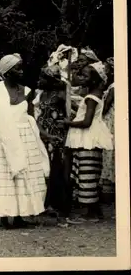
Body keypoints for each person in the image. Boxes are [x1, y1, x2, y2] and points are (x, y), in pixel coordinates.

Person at [0, 54, 50, 229]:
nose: (21, 71)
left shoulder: (27, 91)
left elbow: (31, 117)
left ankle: (20, 215)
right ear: (7, 72)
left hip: (25, 137)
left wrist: (44, 134)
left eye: (21, 67)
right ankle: (4, 216)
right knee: (5, 176)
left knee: (23, 176)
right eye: (17, 68)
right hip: (2, 137)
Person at [62, 62, 113, 223]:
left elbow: (86, 122)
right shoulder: (96, 94)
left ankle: (90, 214)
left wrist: (68, 123)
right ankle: (95, 211)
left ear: (94, 80)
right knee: (90, 174)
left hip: (88, 139)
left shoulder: (91, 98)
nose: (81, 78)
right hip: (91, 138)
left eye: (85, 75)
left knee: (87, 175)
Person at [36, 65, 70, 227]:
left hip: (56, 134)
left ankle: (59, 204)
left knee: (57, 167)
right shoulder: (42, 94)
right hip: (43, 133)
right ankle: (46, 202)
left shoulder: (60, 94)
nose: (40, 81)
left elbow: (67, 112)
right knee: (45, 168)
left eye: (43, 78)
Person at [100, 57, 115, 199]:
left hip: (110, 121)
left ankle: (108, 188)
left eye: (106, 69)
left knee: (109, 151)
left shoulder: (113, 87)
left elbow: (105, 108)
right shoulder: (111, 86)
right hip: (110, 120)